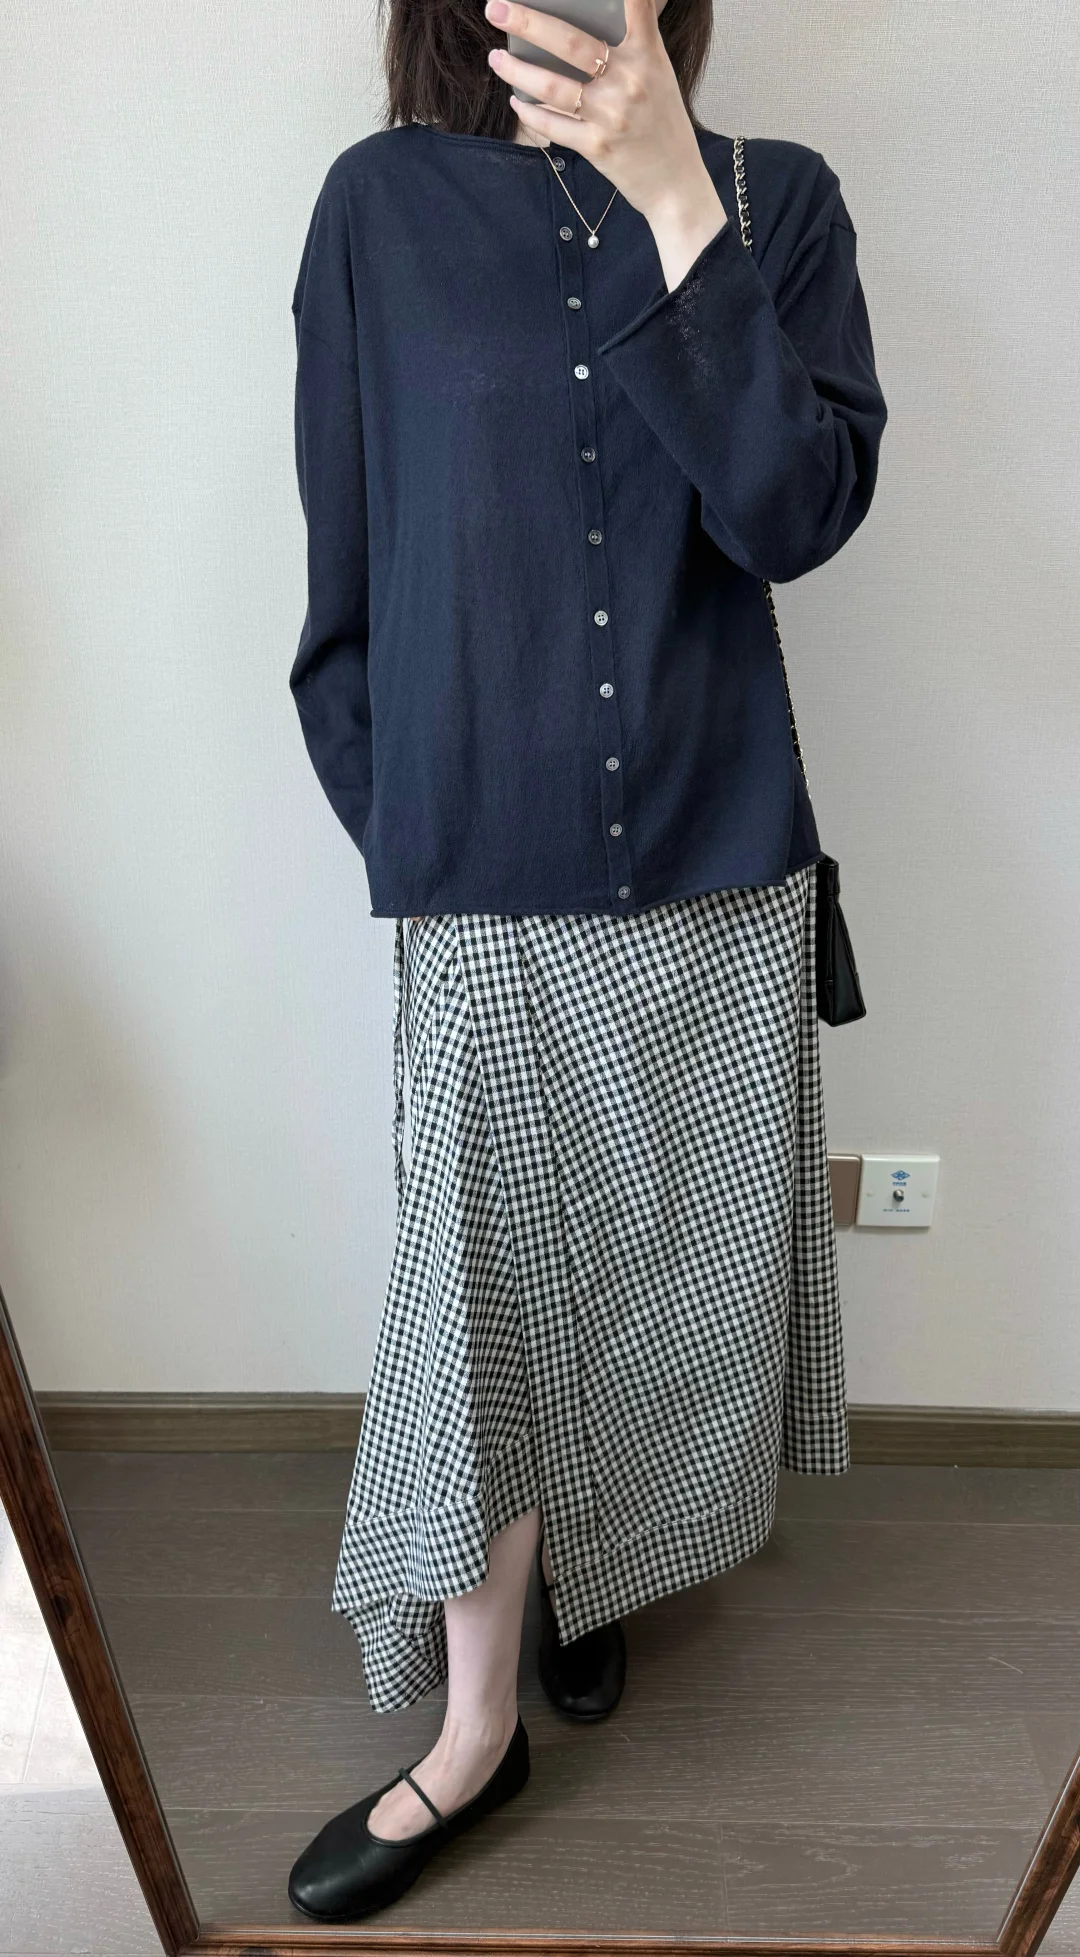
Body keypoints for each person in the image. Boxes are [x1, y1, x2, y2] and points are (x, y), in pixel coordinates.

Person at [285, 0, 888, 1920]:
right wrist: (413, 825)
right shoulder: (379, 208)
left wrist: (672, 199)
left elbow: (792, 515)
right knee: (478, 1297)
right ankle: (477, 1732)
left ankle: (589, 1576)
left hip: (718, 858)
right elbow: (350, 568)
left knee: (656, 1279)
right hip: (481, 865)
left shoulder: (775, 203)